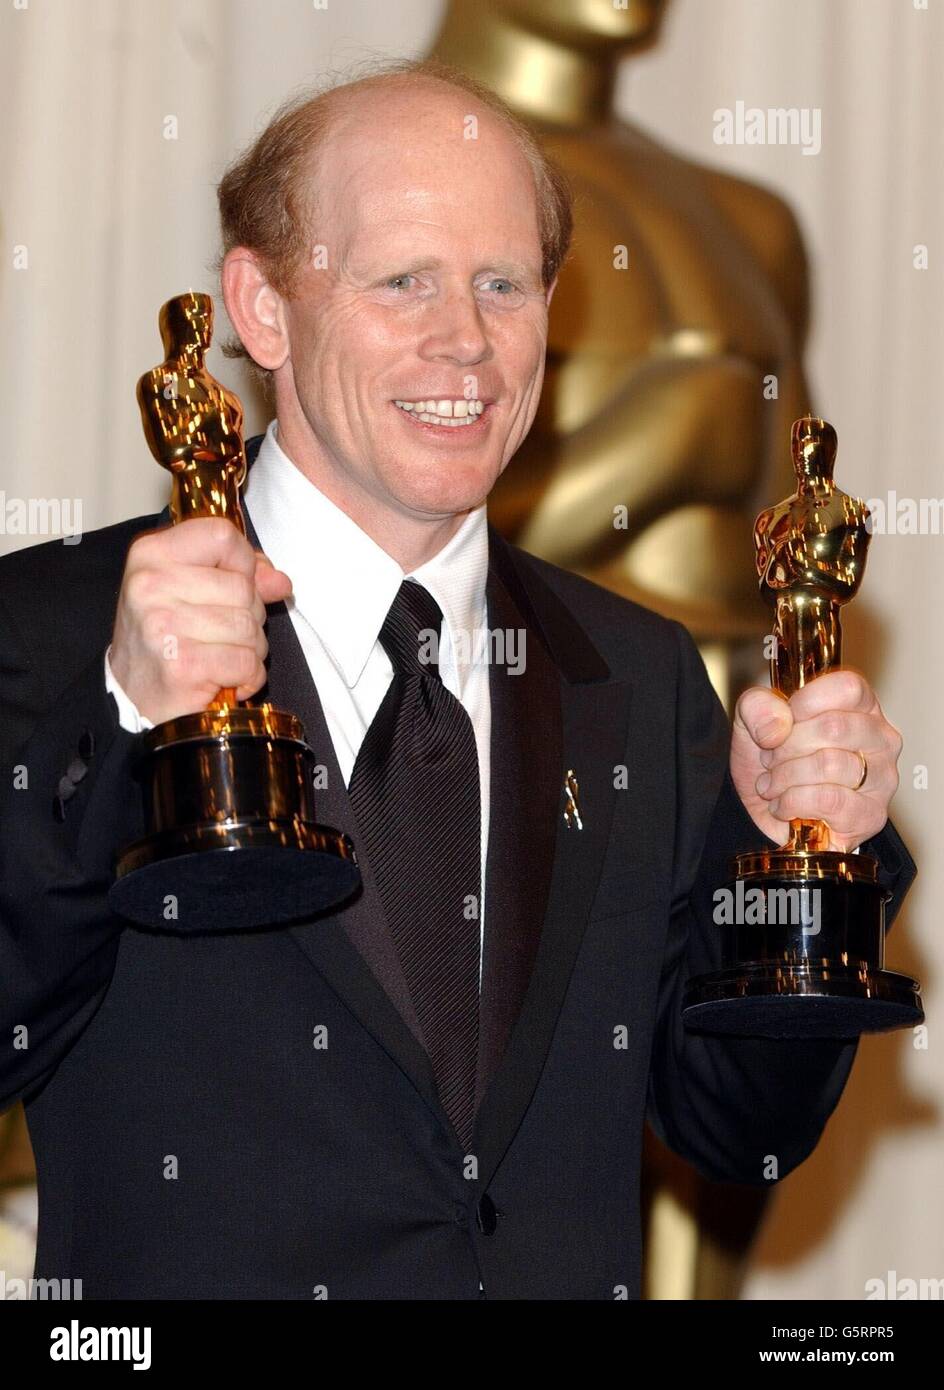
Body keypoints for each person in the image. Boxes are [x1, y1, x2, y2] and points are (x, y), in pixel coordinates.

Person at [0, 60, 913, 1300]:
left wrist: (792, 856)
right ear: (260, 310)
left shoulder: (635, 678)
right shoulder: (52, 632)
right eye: (402, 282)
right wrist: (117, 724)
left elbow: (738, 1124)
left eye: (503, 283)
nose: (466, 344)